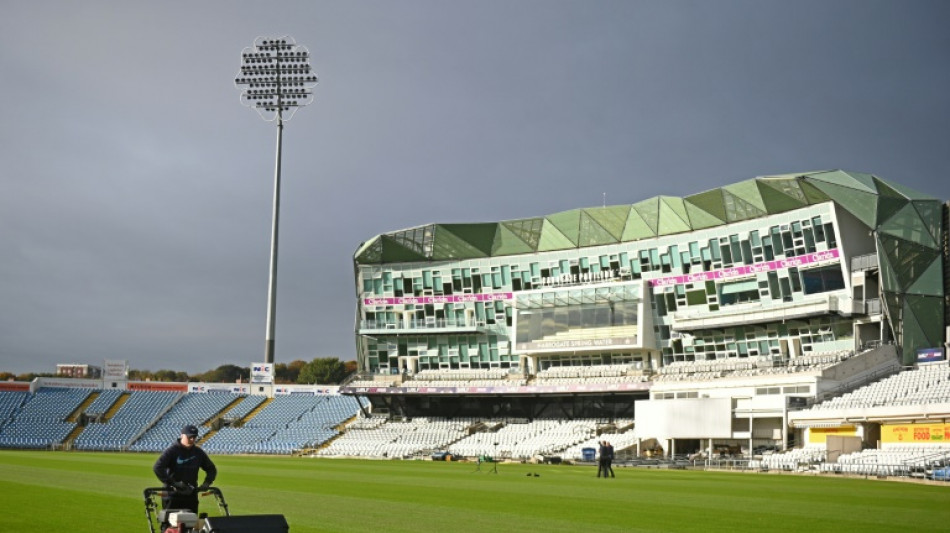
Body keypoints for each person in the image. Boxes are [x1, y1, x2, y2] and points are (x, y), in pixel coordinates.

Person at [153, 424, 217, 522]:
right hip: (172, 495)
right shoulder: (172, 451)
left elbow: (211, 469)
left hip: (190, 494)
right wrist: (173, 483)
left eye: (194, 437)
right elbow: (158, 467)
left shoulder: (198, 453)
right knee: (170, 524)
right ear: (182, 435)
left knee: (191, 523)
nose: (192, 439)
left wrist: (207, 482)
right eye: (189, 437)